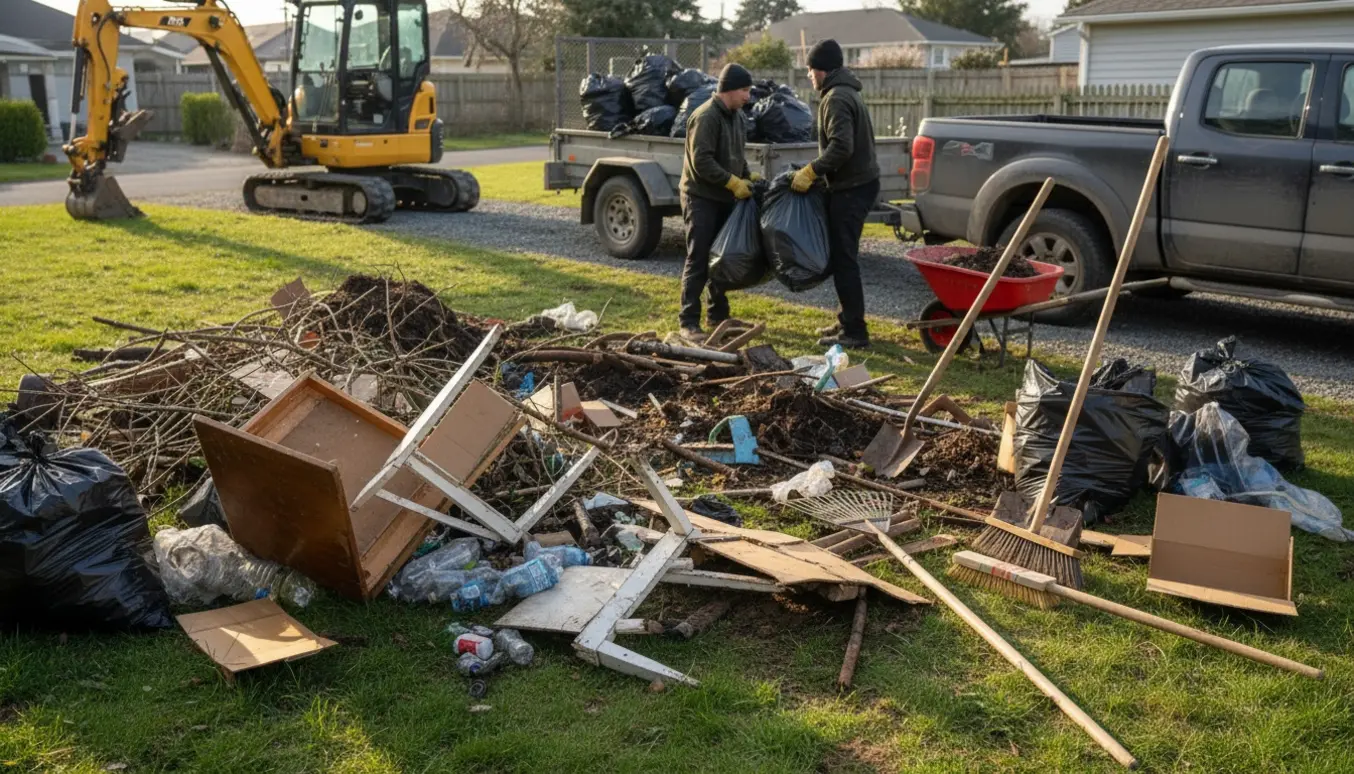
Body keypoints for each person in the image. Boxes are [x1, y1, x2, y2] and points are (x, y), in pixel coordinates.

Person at [792, 39, 880, 349]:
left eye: (810, 70)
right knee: (842, 257)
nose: (809, 76)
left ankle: (855, 331)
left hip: (852, 189)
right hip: (857, 184)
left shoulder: (836, 98)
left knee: (844, 260)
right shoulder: (847, 91)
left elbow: (842, 147)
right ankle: (846, 320)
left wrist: (812, 171)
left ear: (820, 70)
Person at [677, 63, 754, 340]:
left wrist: (746, 176)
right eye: (744, 90)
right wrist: (732, 182)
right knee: (698, 258)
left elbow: (737, 155)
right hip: (700, 197)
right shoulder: (706, 116)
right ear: (729, 89)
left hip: (724, 196)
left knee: (720, 258)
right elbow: (702, 162)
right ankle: (687, 321)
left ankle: (718, 316)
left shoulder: (737, 117)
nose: (748, 96)